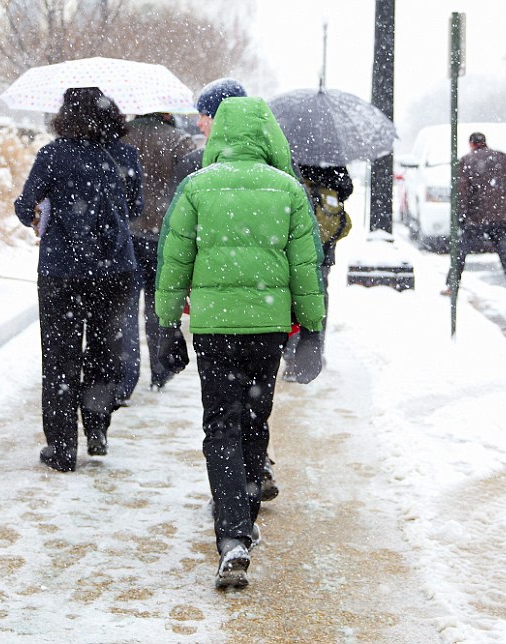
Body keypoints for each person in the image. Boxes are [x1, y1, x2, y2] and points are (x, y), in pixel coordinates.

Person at [155, 96, 325, 589]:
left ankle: (231, 534)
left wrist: (167, 324)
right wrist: (311, 328)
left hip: (214, 328)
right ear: (267, 135)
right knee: (255, 418)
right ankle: (244, 518)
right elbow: (305, 269)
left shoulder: (195, 188)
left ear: (219, 135)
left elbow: (174, 262)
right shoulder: (288, 191)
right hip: (269, 326)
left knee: (220, 425)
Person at [14, 87, 144, 472]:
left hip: (61, 272)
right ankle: (98, 428)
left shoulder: (52, 155)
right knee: (105, 352)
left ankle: (62, 448)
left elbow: (25, 207)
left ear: (64, 114)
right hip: (115, 269)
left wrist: (47, 211)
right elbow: (136, 207)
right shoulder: (125, 155)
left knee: (59, 360)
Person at [115, 112, 197, 404]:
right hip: (166, 234)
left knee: (125, 309)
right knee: (159, 304)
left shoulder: (120, 136)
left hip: (127, 234)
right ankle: (160, 370)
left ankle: (125, 377)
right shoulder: (180, 142)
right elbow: (191, 185)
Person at [444, 131, 506, 322]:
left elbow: (461, 193)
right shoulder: (503, 159)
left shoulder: (466, 162)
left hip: (477, 219)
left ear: (471, 144)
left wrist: (461, 218)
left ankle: (452, 286)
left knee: (460, 252)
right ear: (485, 143)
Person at [281, 164, 353, 382]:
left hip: (295, 240)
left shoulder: (290, 157)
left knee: (293, 294)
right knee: (318, 294)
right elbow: (347, 189)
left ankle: (292, 354)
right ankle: (313, 350)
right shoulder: (332, 161)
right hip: (323, 243)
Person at [171, 77, 247, 187]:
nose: (199, 123)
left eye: (203, 115)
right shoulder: (267, 159)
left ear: (221, 117)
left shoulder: (194, 164)